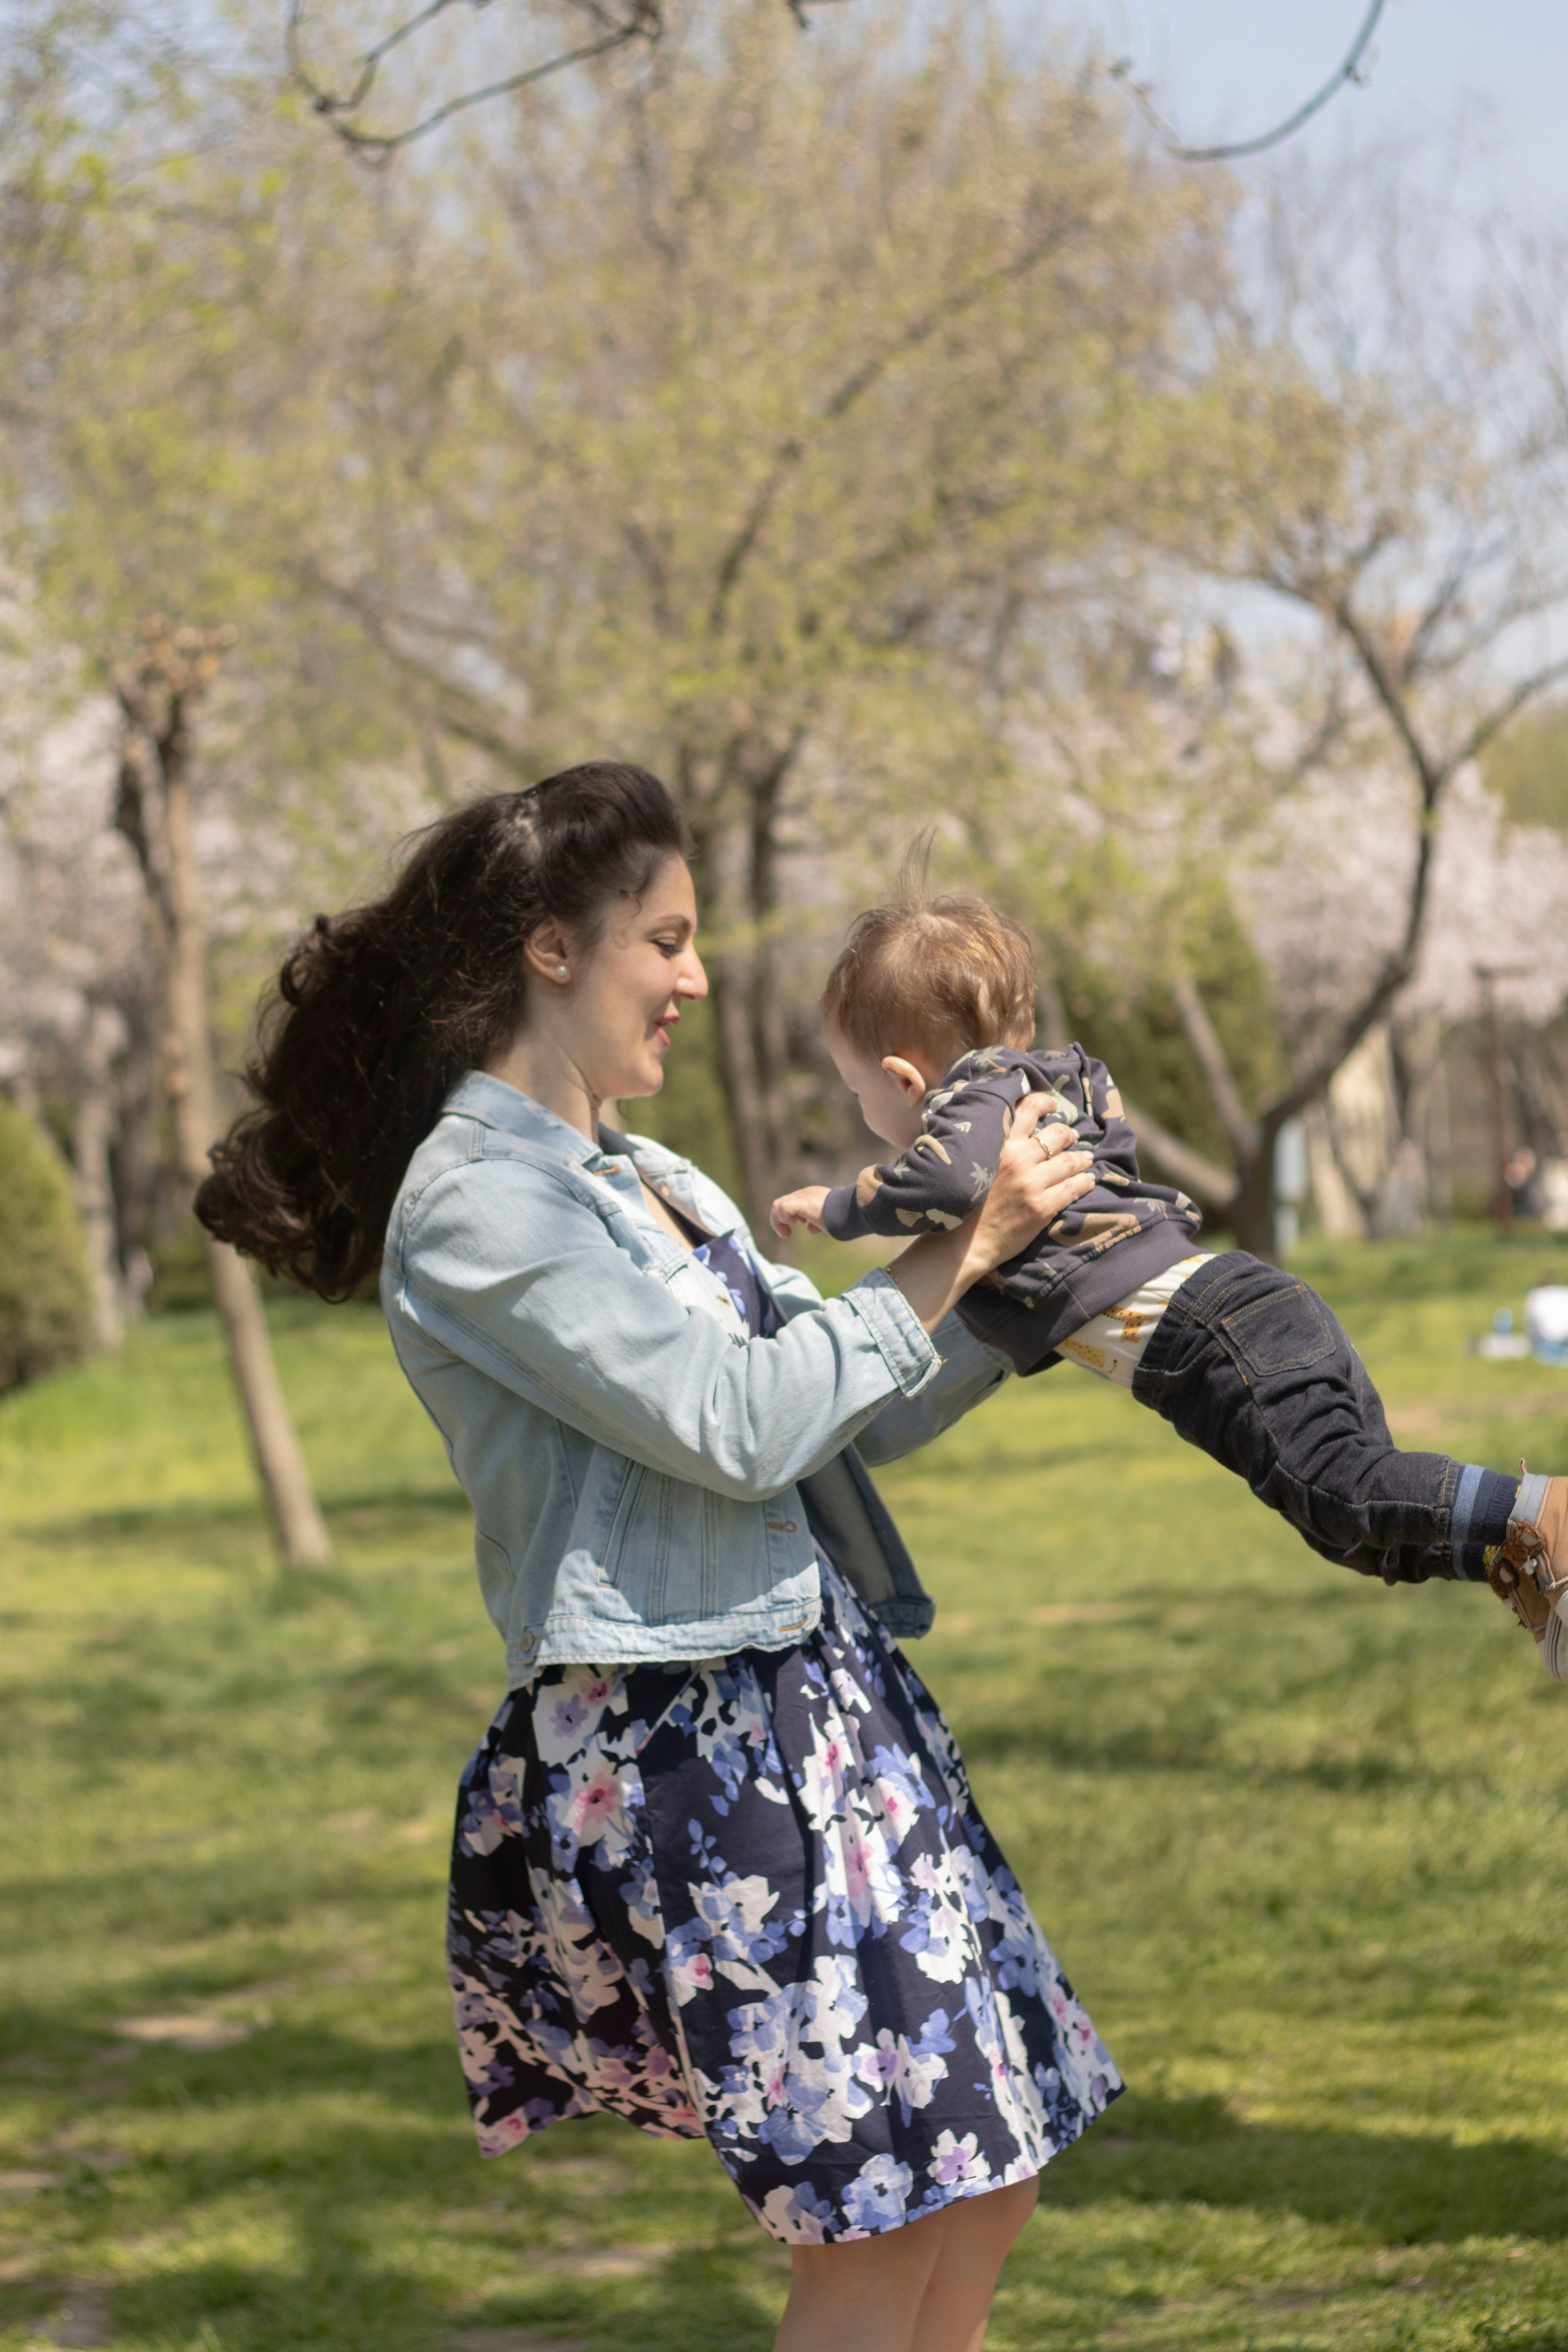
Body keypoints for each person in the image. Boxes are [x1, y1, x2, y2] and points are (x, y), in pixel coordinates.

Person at [195, 764, 1123, 2352]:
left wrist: (1038, 1270)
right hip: (695, 1744)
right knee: (875, 2214)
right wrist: (964, 1242)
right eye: (668, 941)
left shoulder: (651, 1180)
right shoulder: (478, 1207)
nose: (697, 979)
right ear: (552, 948)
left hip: (824, 1702)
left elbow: (855, 1409)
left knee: (985, 2176)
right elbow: (739, 1420)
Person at [770, 892, 1568, 1682]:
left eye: (856, 1092)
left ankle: (1539, 1514)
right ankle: (1532, 1562)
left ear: (906, 1081)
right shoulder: (1063, 1085)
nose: (863, 1112)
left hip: (1214, 1335)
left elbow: (943, 1182)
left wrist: (839, 1206)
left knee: (1340, 1491)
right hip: (1242, 1307)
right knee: (1350, 1528)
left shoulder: (972, 1102)